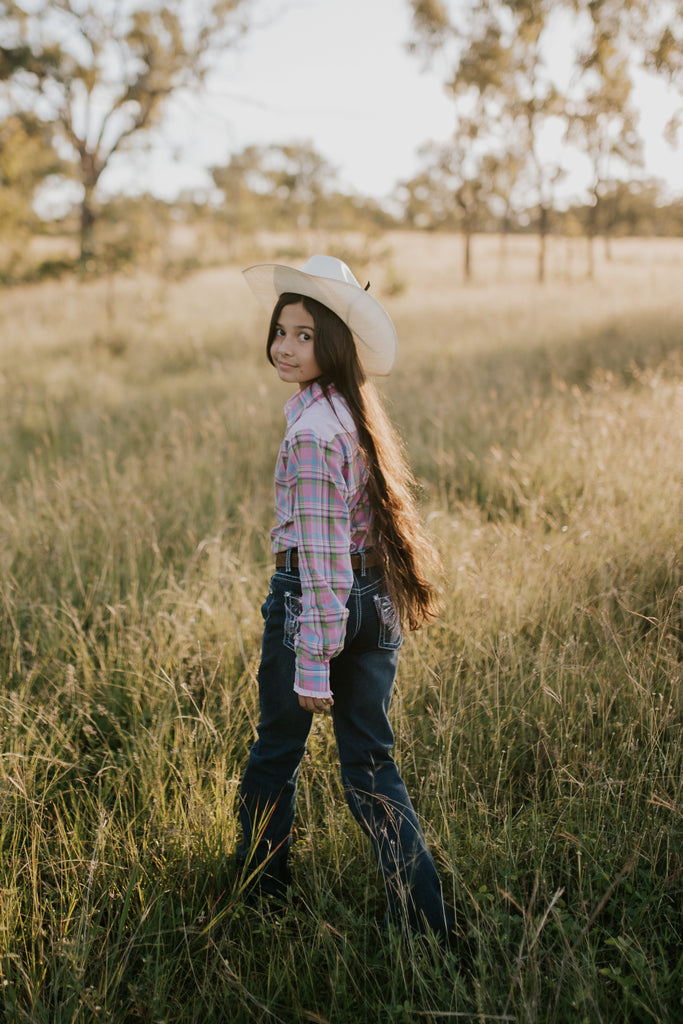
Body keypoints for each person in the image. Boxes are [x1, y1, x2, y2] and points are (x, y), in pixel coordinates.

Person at [236, 254, 455, 942]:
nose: (285, 346)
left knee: (276, 752)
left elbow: (324, 563)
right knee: (369, 764)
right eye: (281, 330)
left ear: (332, 344)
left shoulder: (308, 433)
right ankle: (425, 928)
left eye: (304, 335)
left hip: (318, 604)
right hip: (375, 602)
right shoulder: (347, 414)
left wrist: (310, 661)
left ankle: (258, 896)